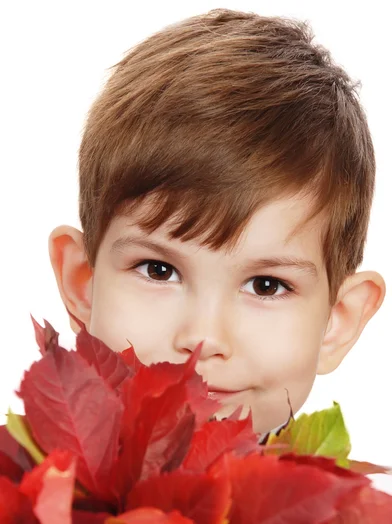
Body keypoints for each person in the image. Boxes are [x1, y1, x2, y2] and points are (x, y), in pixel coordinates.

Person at [48, 8, 385, 437]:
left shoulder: (358, 508)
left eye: (267, 285)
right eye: (159, 270)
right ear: (82, 283)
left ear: (337, 321)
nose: (203, 340)